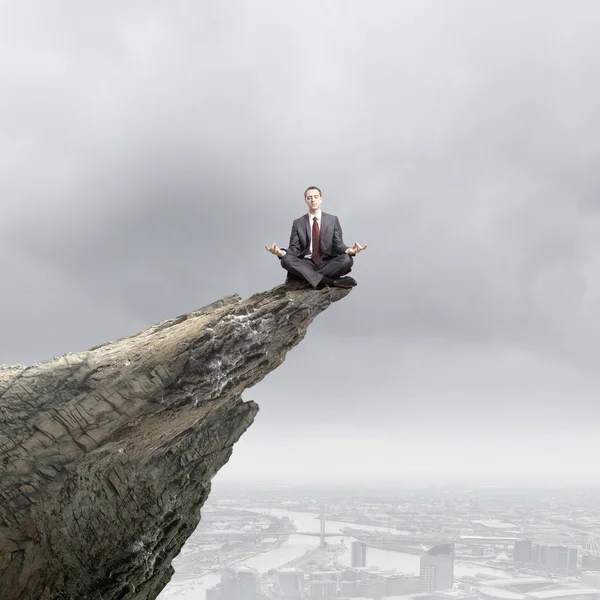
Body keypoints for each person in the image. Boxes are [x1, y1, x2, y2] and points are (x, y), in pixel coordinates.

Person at [265, 186, 367, 288]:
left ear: (321, 199)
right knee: (285, 260)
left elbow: (338, 245)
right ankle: (331, 281)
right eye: (309, 197)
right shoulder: (298, 223)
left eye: (315, 197)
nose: (313, 200)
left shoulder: (333, 220)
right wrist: (280, 253)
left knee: (347, 260)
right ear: (305, 200)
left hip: (327, 263)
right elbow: (294, 249)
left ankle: (305, 276)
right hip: (306, 263)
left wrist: (350, 250)